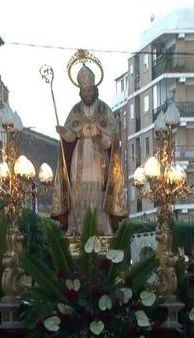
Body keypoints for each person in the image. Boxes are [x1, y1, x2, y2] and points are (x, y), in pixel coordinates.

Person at [51, 59, 126, 235]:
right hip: (79, 158)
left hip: (99, 158)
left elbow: (113, 136)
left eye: (90, 90)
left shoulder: (104, 109)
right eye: (84, 90)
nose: (87, 93)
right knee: (77, 193)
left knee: (99, 194)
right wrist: (64, 132)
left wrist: (102, 136)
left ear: (94, 89)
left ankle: (104, 230)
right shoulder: (75, 110)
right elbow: (70, 135)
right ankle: (75, 229)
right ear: (80, 91)